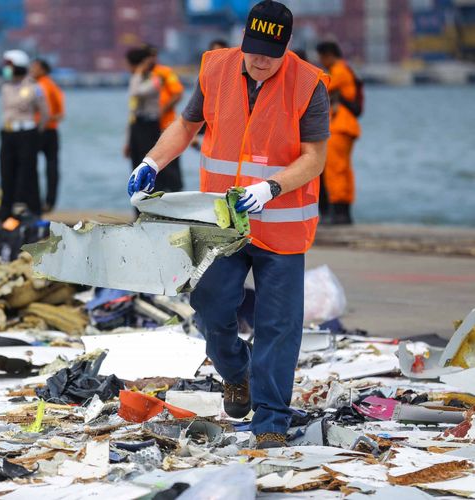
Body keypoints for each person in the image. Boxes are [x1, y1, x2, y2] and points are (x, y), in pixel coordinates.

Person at [127, 0, 330, 449]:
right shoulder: (216, 69)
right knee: (210, 306)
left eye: (268, 53)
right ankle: (237, 373)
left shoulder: (309, 84)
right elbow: (185, 125)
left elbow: (314, 158)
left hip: (281, 226)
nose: (258, 60)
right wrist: (151, 161)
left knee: (279, 325)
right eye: (251, 49)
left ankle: (272, 421)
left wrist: (271, 187)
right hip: (222, 223)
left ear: (286, 46)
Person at [0, 49, 48, 221]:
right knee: (6, 172)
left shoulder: (34, 87)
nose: (6, 69)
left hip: (27, 132)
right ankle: (5, 212)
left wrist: (36, 132)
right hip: (8, 132)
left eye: (9, 65)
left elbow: (44, 113)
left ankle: (34, 210)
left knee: (28, 173)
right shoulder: (6, 87)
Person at [317, 41, 361, 225]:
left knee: (335, 170)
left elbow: (322, 86)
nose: (321, 62)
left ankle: (338, 212)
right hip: (345, 126)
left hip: (339, 127)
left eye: (322, 58)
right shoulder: (344, 70)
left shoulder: (339, 71)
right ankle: (344, 212)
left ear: (328, 55)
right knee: (343, 170)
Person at [125, 47, 163, 193]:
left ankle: (151, 202)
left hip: (150, 126)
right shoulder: (138, 79)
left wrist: (139, 72)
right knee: (135, 166)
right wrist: (128, 140)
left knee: (148, 165)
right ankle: (137, 207)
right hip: (137, 126)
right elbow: (132, 111)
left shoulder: (155, 79)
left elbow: (135, 92)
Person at [147, 45, 184, 192]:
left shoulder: (165, 72)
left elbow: (177, 94)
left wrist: (162, 110)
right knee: (152, 163)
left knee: (171, 166)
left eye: (152, 55)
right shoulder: (143, 74)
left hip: (166, 125)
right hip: (149, 127)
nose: (150, 59)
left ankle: (175, 196)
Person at [30, 58, 64, 212]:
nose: (32, 69)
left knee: (29, 165)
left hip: (39, 129)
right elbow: (60, 111)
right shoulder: (53, 85)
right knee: (52, 167)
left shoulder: (39, 85)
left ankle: (33, 200)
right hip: (52, 130)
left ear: (43, 70)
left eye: (35, 67)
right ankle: (50, 202)